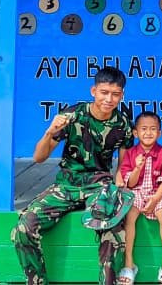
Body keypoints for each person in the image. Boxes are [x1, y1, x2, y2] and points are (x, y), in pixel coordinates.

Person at [13, 66, 134, 285]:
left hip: (99, 184)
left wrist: (118, 188)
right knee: (24, 226)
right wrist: (49, 132)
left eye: (115, 94)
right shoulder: (72, 115)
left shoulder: (123, 124)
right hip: (67, 184)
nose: (109, 99)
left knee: (113, 226)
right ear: (93, 91)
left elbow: (123, 165)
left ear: (122, 95)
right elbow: (39, 157)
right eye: (104, 92)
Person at [117, 111, 162, 285]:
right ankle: (129, 263)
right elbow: (131, 184)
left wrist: (155, 199)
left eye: (153, 129)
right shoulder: (131, 154)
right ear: (136, 133)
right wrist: (137, 168)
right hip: (137, 191)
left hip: (158, 192)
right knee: (129, 214)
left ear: (160, 133)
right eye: (143, 129)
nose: (148, 133)